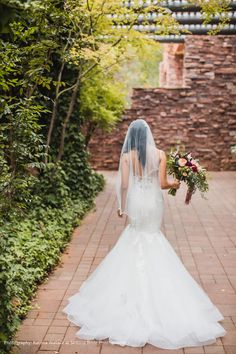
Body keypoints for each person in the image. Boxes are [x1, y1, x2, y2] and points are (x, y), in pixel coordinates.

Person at [62, 118, 226, 349]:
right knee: (153, 236)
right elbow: (161, 183)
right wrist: (176, 183)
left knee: (134, 235)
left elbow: (125, 186)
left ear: (132, 136)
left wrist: (121, 206)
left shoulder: (127, 157)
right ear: (148, 134)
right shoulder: (159, 154)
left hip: (137, 203)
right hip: (154, 204)